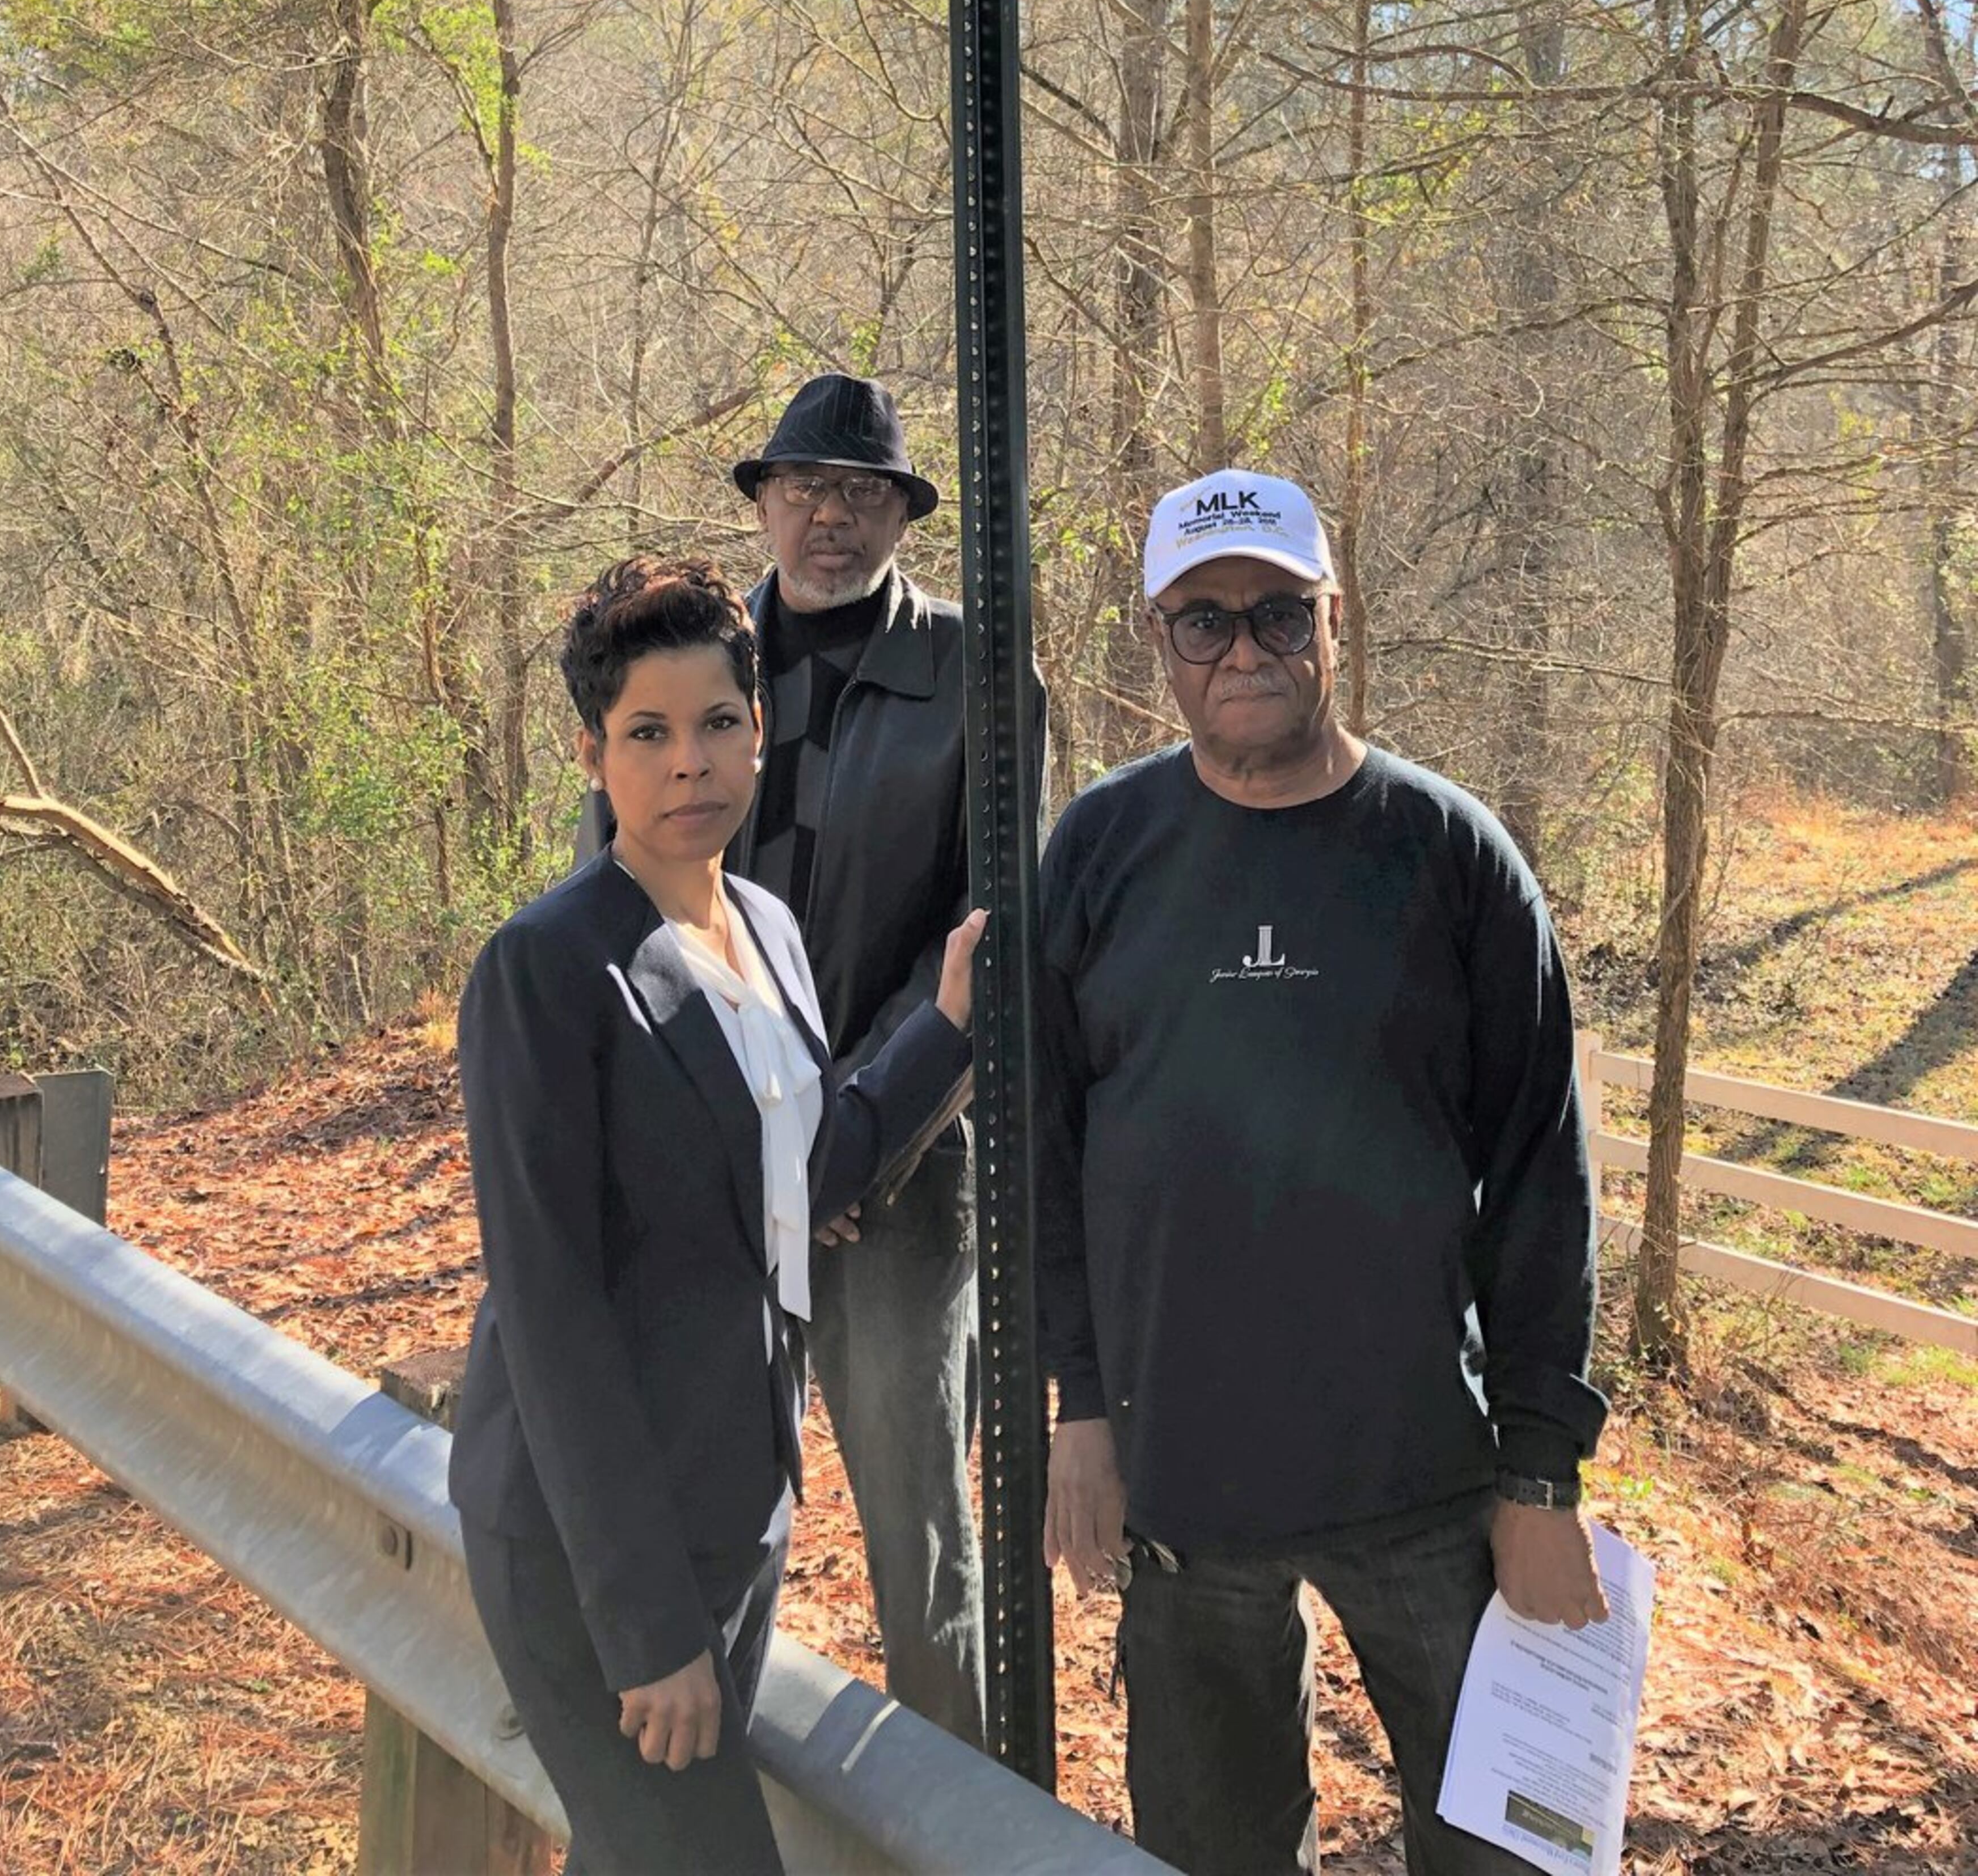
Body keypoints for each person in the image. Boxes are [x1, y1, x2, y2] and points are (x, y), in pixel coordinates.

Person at [1037, 471, 1609, 1876]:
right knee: (1213, 1851)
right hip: (1183, 1481)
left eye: (1281, 616)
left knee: (1503, 1852)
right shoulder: (1103, 853)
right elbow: (1045, 1157)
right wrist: (1081, 1406)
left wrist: (1541, 1477)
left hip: (1424, 1473)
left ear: (1336, 621)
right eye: (1207, 621)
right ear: (1157, 638)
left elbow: (1543, 1170)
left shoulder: (1453, 857)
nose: (1245, 653)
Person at [450, 555, 983, 1876]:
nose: (691, 763)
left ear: (759, 733)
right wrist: (646, 1632)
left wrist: (950, 1025)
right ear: (593, 755)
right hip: (595, 1557)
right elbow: (554, 1316)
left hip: (735, 1513)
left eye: (719, 724)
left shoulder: (767, 927)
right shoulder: (549, 968)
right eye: (649, 733)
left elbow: (812, 1171)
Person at [580, 371, 1021, 1744]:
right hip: (713, 1171)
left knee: (920, 1536)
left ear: (901, 511)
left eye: (862, 493)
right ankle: (675, 1780)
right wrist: (742, 1134)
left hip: (892, 1180)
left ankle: (957, 1817)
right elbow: (634, 897)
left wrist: (850, 1137)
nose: (831, 518)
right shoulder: (705, 666)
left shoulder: (975, 675)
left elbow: (982, 939)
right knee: (701, 1494)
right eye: (806, 489)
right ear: (765, 503)